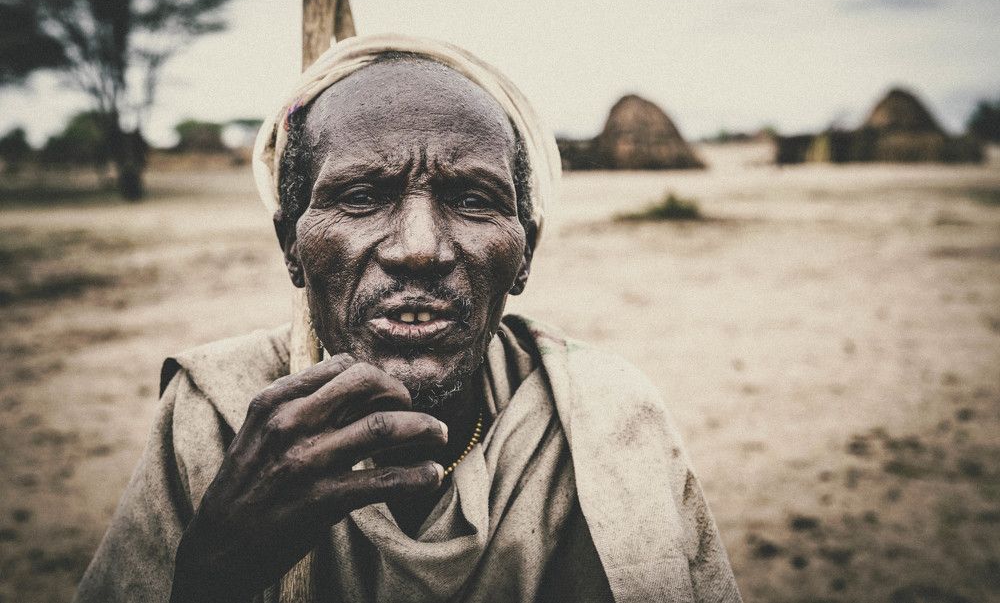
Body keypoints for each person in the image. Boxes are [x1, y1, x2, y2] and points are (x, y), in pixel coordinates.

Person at [74, 35, 742, 603]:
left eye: (472, 198)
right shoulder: (213, 418)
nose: (419, 247)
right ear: (291, 246)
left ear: (526, 250)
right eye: (361, 195)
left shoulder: (609, 416)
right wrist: (214, 573)